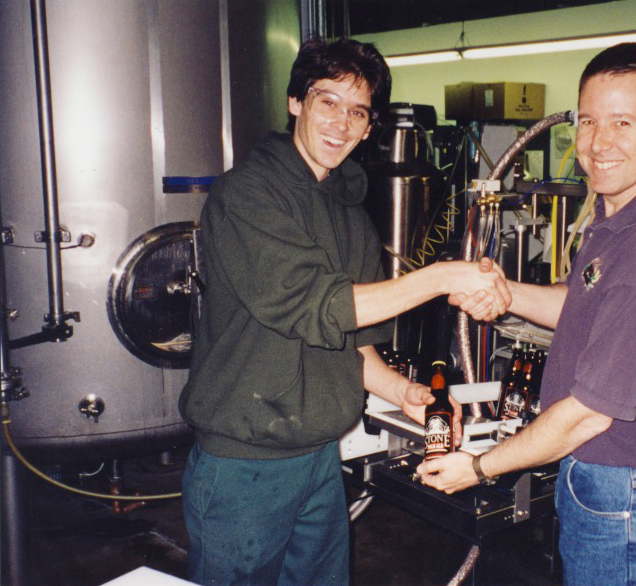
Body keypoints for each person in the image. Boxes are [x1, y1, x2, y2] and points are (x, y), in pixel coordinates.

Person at [178, 37, 509, 586]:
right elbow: (319, 305)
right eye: (327, 101)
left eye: (358, 111)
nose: (341, 123)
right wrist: (442, 276)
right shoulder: (247, 195)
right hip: (244, 466)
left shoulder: (351, 212)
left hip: (318, 461)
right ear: (295, 103)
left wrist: (399, 391)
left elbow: (351, 342)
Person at [419, 43, 636, 586]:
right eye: (587, 121)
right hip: (618, 480)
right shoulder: (625, 214)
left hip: (632, 491)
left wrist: (479, 467)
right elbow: (582, 302)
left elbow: (589, 413)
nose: (597, 143)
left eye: (621, 122)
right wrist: (505, 293)